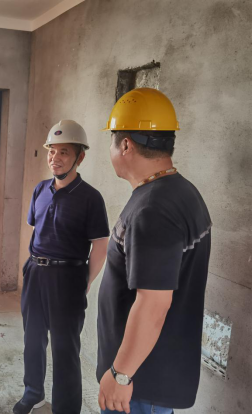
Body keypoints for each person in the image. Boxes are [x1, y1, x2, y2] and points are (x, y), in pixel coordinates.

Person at [97, 88, 212, 414]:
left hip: (138, 383)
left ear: (126, 145)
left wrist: (120, 374)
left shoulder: (153, 210)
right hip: (153, 374)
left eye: (112, 141)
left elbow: (153, 304)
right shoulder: (181, 191)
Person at [14, 120, 109, 414]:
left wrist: (85, 282)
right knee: (32, 340)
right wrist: (28, 267)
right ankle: (33, 394)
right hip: (35, 272)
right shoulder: (40, 189)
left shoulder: (91, 198)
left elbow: (100, 246)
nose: (55, 158)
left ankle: (66, 409)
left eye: (64, 152)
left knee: (65, 349)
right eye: (51, 151)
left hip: (68, 278)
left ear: (80, 157)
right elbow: (34, 230)